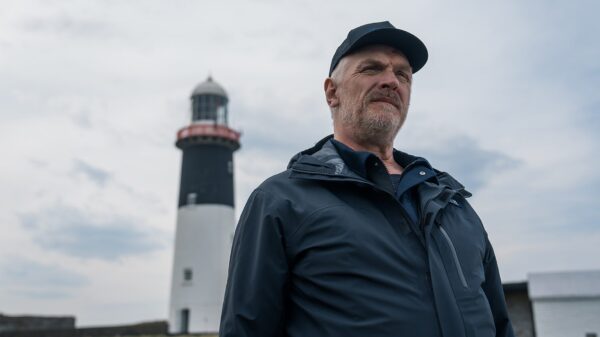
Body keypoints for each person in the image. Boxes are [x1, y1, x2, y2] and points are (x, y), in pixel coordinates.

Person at [220, 21, 515, 337]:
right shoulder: (280, 201)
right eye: (372, 69)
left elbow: (499, 324)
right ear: (332, 92)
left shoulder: (455, 206)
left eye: (403, 75)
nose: (391, 81)